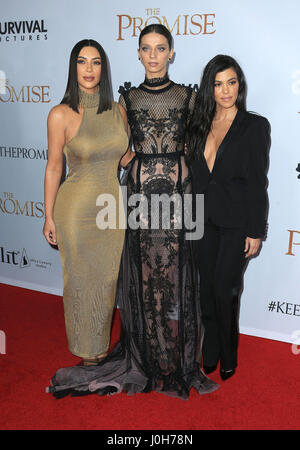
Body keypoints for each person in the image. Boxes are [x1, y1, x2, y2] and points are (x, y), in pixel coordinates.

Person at [47, 25, 218, 399]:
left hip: (175, 198)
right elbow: (119, 152)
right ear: (138, 54)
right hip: (136, 198)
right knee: (143, 279)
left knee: (176, 277)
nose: (153, 55)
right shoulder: (125, 101)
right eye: (146, 49)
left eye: (160, 49)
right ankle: (144, 356)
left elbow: (199, 148)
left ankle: (175, 358)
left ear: (171, 53)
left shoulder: (188, 97)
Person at [43, 39, 128, 366]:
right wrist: (48, 216)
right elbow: (53, 167)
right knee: (80, 281)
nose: (89, 69)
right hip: (75, 212)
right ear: (73, 67)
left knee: (106, 282)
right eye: (82, 62)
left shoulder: (118, 110)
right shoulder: (60, 114)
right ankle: (87, 353)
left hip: (111, 211)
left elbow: (123, 158)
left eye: (95, 62)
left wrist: (160, 164)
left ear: (103, 69)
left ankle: (100, 347)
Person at [186, 55, 271, 380]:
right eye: (218, 83)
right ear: (209, 87)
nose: (225, 90)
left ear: (240, 85)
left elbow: (257, 182)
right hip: (200, 222)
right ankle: (210, 351)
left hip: (236, 224)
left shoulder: (254, 126)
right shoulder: (196, 125)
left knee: (225, 290)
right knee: (206, 290)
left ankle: (229, 353)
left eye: (231, 82)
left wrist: (256, 230)